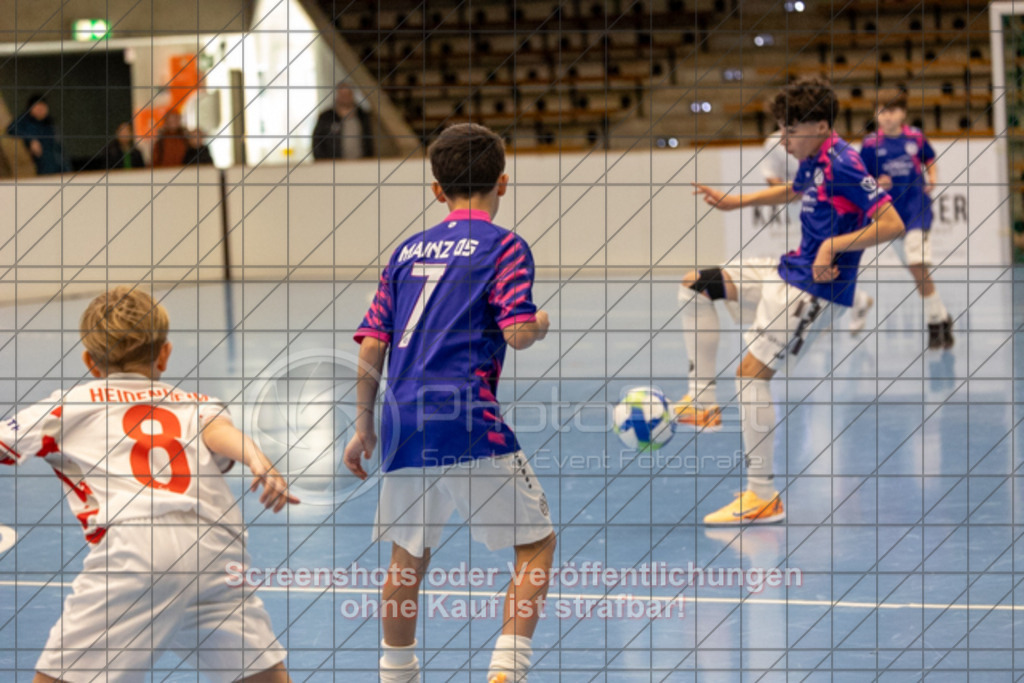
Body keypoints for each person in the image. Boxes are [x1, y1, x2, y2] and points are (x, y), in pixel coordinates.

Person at [344, 123, 555, 683]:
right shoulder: (504, 245)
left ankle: (397, 674)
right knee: (536, 545)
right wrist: (539, 322)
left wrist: (364, 426)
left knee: (407, 554)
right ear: (502, 184)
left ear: (438, 190)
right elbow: (515, 331)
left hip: (402, 420)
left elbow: (372, 343)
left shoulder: (406, 252)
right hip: (465, 416)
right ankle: (507, 670)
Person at [0, 286, 298, 682]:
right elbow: (219, 432)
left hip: (136, 551)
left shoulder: (67, 406)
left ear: (90, 361)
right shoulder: (193, 402)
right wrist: (256, 457)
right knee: (263, 676)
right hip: (214, 546)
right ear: (164, 353)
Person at [687, 77, 905, 524]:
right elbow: (793, 191)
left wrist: (833, 247)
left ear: (821, 125)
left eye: (790, 130)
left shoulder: (845, 163)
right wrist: (734, 203)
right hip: (790, 268)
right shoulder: (815, 157)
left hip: (815, 288)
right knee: (695, 283)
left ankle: (762, 496)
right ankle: (702, 401)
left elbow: (892, 222)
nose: (782, 140)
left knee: (750, 377)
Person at [860, 87, 953, 350]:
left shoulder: (915, 137)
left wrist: (933, 177)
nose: (886, 116)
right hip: (890, 216)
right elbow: (862, 180)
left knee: (916, 265)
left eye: (892, 111)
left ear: (903, 113)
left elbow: (930, 159)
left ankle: (933, 326)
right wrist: (878, 183)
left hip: (917, 210)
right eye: (881, 111)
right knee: (917, 272)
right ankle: (943, 317)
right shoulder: (869, 144)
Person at [764, 128, 875, 335]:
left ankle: (833, 307)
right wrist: (795, 194)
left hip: (824, 206)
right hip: (800, 205)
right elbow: (772, 178)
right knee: (814, 261)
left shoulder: (828, 148)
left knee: (824, 260)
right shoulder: (773, 143)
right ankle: (854, 301)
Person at [7, 93, 69, 175]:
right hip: (41, 164)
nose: (41, 110)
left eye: (43, 107)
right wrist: (31, 140)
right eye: (38, 107)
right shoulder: (24, 121)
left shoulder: (49, 123)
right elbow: (11, 129)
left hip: (58, 162)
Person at [311, 82, 375, 160]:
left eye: (348, 93)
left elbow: (369, 143)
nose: (345, 97)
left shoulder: (362, 116)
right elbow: (317, 143)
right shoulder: (326, 118)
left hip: (359, 164)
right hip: (333, 165)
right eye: (342, 94)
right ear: (337, 95)